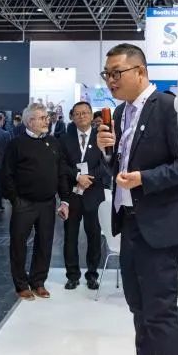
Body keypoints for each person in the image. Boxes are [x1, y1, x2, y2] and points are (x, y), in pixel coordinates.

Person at [96, 43, 178, 355]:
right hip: (131, 221)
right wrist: (108, 154)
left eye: (116, 73)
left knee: (160, 309)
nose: (110, 81)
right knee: (138, 302)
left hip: (161, 224)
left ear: (140, 71)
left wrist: (145, 179)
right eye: (107, 74)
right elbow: (119, 169)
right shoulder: (123, 113)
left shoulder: (169, 108)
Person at [0, 103, 71, 299]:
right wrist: (15, 199)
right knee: (18, 244)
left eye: (46, 117)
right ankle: (21, 284)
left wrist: (64, 200)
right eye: (42, 118)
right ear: (30, 121)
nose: (47, 121)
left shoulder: (53, 143)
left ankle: (38, 282)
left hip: (48, 203)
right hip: (24, 203)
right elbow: (6, 174)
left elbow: (61, 173)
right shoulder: (16, 144)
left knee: (45, 244)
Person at [59, 101, 109, 290]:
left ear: (91, 115)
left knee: (94, 235)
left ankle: (92, 274)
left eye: (85, 113)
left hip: (93, 193)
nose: (81, 116)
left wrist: (89, 178)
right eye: (77, 113)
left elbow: (107, 163)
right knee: (70, 236)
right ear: (72, 117)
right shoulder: (64, 139)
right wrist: (78, 176)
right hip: (72, 194)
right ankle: (72, 275)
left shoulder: (101, 137)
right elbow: (61, 165)